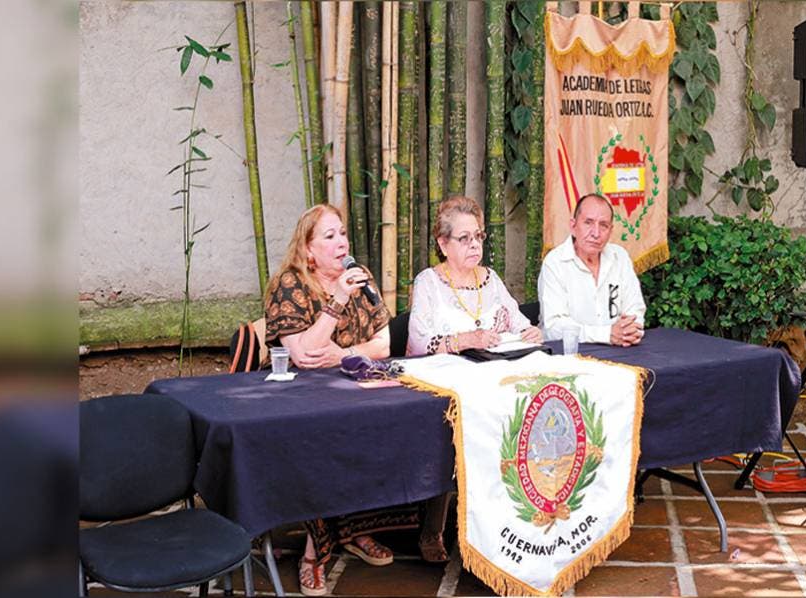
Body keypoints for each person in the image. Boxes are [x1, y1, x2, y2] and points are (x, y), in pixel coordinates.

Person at [264, 204, 407, 596]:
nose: (342, 242)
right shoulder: (290, 284)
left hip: (349, 381)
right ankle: (314, 552)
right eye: (329, 236)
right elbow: (305, 355)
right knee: (323, 437)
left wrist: (344, 355)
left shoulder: (361, 278)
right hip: (298, 395)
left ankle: (355, 529)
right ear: (308, 249)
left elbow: (385, 344)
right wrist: (339, 298)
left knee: (386, 424)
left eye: (342, 233)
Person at [407, 196, 542, 356]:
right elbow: (418, 344)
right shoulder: (428, 282)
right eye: (464, 238)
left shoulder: (491, 279)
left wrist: (531, 332)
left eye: (478, 236)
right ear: (443, 244)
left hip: (495, 367)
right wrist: (465, 340)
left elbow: (519, 324)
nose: (475, 245)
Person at [537, 193, 646, 346]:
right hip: (568, 352)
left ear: (611, 231)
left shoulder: (619, 257)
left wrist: (628, 332)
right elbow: (553, 327)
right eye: (588, 223)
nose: (596, 233)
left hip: (620, 347)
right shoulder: (555, 263)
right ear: (573, 226)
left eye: (603, 225)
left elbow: (635, 309)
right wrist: (605, 335)